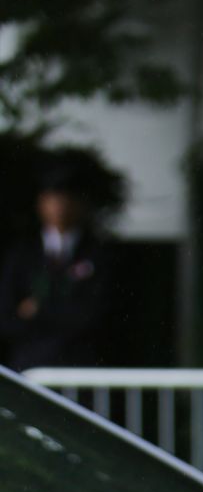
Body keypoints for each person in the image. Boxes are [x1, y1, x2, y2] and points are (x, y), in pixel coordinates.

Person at [0, 156, 117, 372]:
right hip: (30, 370)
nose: (60, 206)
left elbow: (96, 317)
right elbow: (7, 320)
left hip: (80, 373)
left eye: (67, 197)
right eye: (53, 197)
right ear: (41, 202)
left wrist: (38, 310)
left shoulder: (99, 254)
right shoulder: (22, 255)